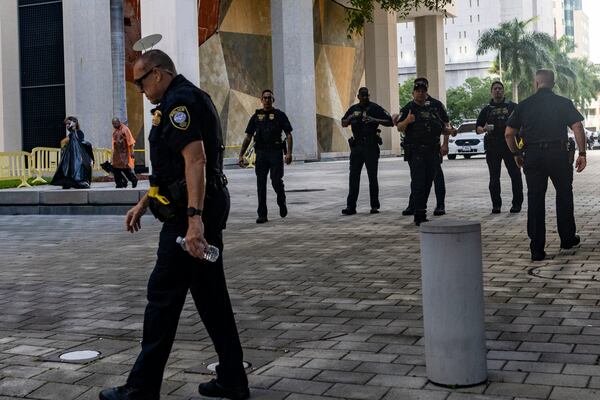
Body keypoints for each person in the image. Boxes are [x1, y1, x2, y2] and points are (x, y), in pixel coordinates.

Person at [100, 50, 249, 400]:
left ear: (160, 73)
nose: (139, 89)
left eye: (141, 80)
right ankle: (232, 378)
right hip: (197, 207)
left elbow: (195, 160)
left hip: (189, 216)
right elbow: (170, 168)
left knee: (162, 298)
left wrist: (194, 222)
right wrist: (144, 201)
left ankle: (141, 388)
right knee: (211, 298)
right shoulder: (186, 98)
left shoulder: (178, 104)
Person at [505, 69, 586, 262]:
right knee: (564, 194)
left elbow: (508, 133)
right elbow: (577, 126)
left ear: (535, 83)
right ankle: (567, 239)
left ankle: (537, 249)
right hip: (558, 154)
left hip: (532, 156)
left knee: (535, 199)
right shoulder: (563, 103)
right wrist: (582, 153)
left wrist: (516, 153)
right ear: (554, 84)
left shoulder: (524, 105)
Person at [395, 78, 453, 225]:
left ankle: (423, 211)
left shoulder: (433, 108)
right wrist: (407, 121)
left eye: (423, 91)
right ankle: (418, 213)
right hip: (417, 152)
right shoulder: (409, 108)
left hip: (433, 151)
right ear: (413, 93)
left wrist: (450, 132)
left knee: (428, 182)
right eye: (418, 91)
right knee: (418, 183)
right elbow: (399, 127)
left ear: (426, 92)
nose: (421, 93)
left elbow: (442, 126)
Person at [238, 89, 293, 224]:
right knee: (261, 184)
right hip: (261, 153)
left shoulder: (280, 115)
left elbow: (289, 134)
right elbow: (248, 137)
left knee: (276, 181)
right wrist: (241, 155)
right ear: (261, 100)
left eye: (269, 98)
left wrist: (289, 153)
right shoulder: (256, 117)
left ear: (273, 100)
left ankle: (281, 199)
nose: (267, 100)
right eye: (265, 98)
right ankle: (262, 214)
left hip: (275, 153)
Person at [340, 87, 393, 215]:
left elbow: (390, 121)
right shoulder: (353, 109)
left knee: (372, 177)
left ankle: (374, 206)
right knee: (353, 177)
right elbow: (343, 123)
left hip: (371, 146)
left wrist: (374, 120)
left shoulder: (375, 108)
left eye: (366, 96)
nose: (365, 98)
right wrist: (350, 118)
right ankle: (351, 206)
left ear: (369, 95)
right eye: (362, 96)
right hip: (357, 147)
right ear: (358, 96)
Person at [476, 81, 523, 214]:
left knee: (515, 175)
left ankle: (517, 204)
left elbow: (522, 124)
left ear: (503, 91)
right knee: (494, 177)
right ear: (491, 91)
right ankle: (496, 205)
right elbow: (478, 127)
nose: (498, 90)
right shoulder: (486, 109)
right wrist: (483, 129)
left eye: (500, 88)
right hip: (493, 147)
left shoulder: (512, 106)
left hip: (510, 145)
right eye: (495, 88)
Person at [50, 116, 94, 189]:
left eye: (68, 123)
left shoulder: (78, 133)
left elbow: (78, 142)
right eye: (66, 124)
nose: (67, 125)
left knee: (76, 170)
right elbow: (63, 143)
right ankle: (69, 182)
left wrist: (73, 129)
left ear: (74, 124)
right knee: (68, 169)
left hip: (78, 158)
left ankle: (77, 182)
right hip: (71, 157)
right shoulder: (71, 134)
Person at [111, 118, 138, 188]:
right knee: (116, 169)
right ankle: (120, 183)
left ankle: (133, 179)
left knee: (125, 169)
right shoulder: (115, 131)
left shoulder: (125, 129)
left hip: (124, 154)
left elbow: (131, 142)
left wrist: (132, 152)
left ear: (119, 122)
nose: (114, 125)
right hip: (117, 154)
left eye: (115, 123)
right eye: (113, 124)